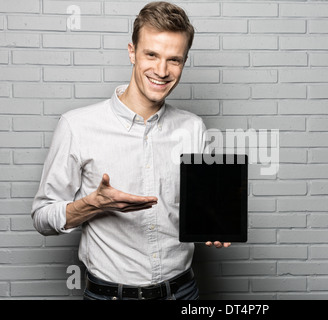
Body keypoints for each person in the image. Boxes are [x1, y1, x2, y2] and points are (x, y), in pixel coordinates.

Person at [31, 1, 229, 300]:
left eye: (174, 60)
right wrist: (94, 204)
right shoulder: (77, 125)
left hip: (183, 292)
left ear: (184, 62)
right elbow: (42, 217)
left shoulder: (193, 128)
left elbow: (196, 212)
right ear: (132, 52)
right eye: (151, 54)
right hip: (109, 295)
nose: (162, 71)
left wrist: (214, 224)